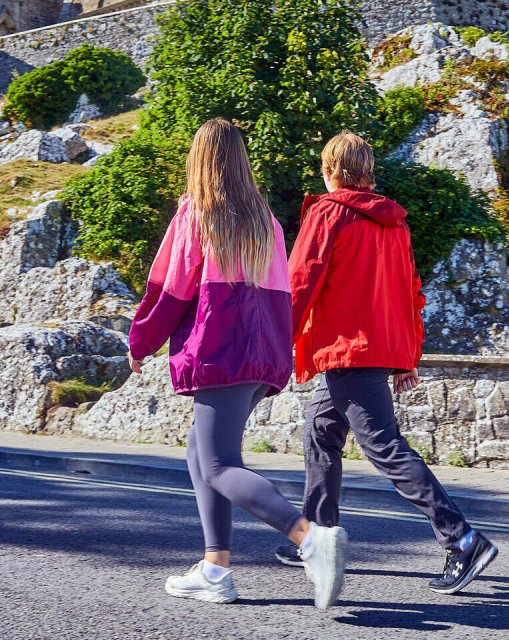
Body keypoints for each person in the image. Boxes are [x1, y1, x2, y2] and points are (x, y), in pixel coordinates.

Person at [128, 118, 346, 608]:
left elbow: (170, 290)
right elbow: (281, 293)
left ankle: (309, 537)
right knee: (199, 456)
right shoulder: (264, 220)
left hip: (219, 350)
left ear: (199, 160)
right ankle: (215, 568)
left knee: (221, 464)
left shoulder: (197, 214)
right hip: (259, 354)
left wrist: (141, 340)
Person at [275, 131, 496, 595]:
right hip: (368, 351)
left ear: (329, 170)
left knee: (385, 448)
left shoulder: (328, 212)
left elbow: (301, 281)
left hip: (347, 350)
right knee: (319, 434)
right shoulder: (394, 224)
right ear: (368, 172)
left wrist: (275, 339)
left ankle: (463, 539)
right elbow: (410, 293)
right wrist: (406, 356)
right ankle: (316, 535)